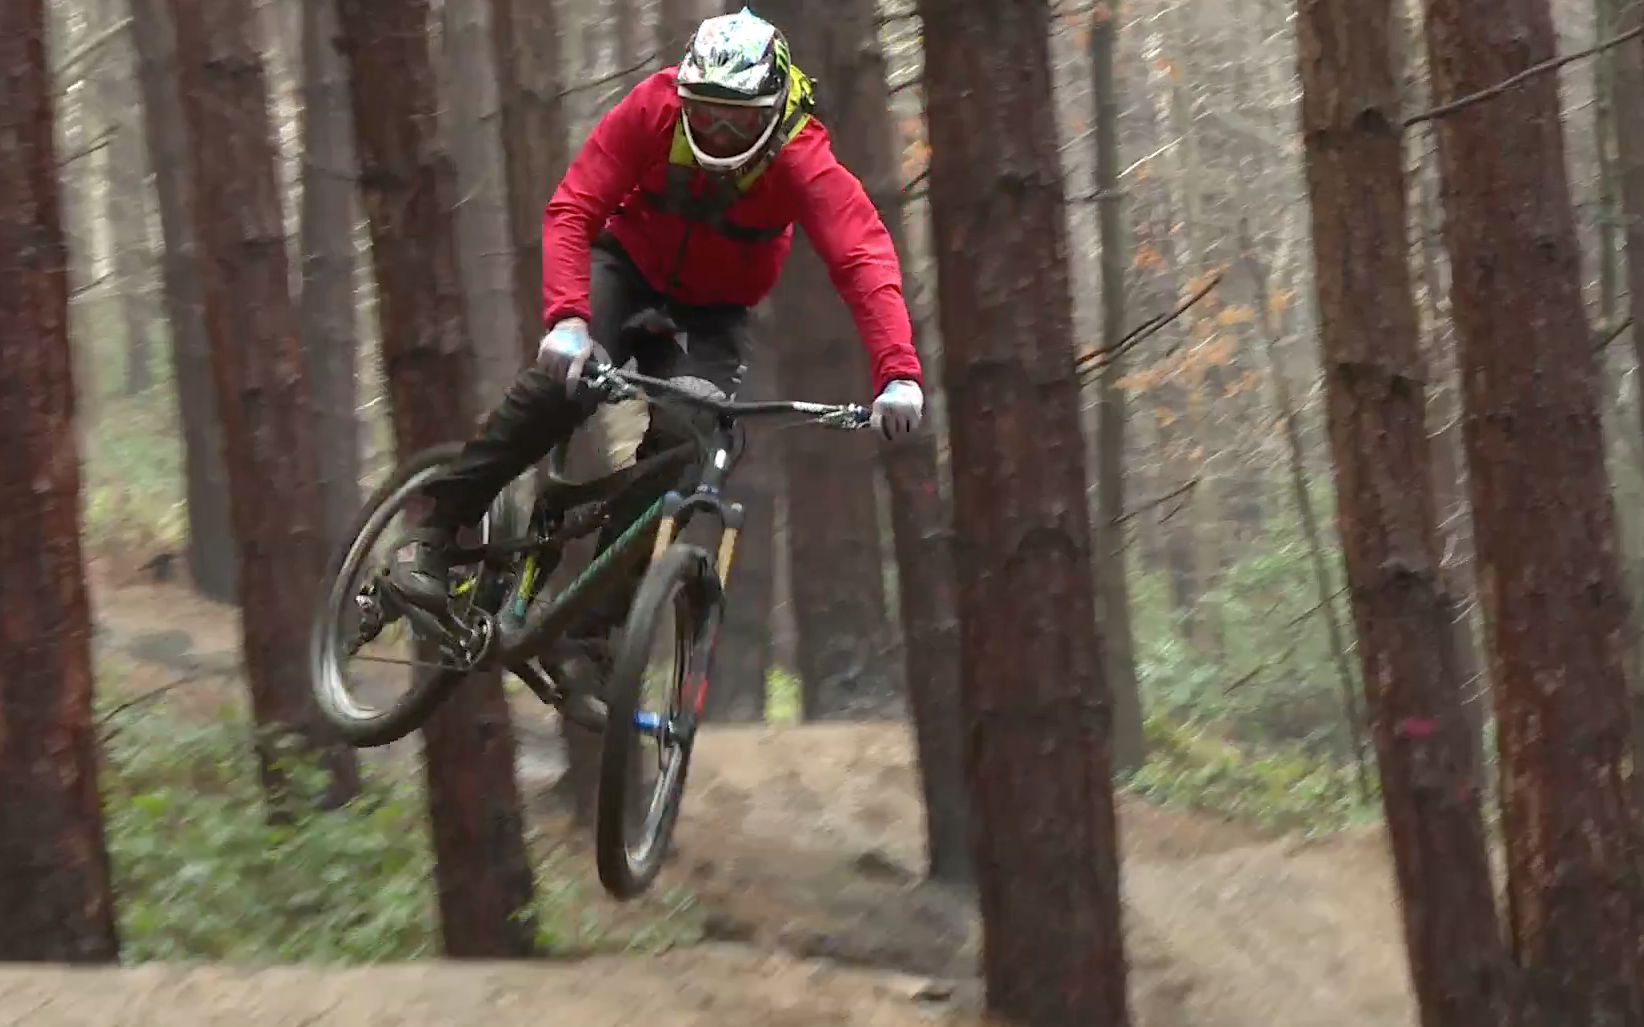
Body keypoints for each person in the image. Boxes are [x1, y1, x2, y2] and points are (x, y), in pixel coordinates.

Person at [388, 7, 924, 635]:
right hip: (626, 265)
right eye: (704, 111)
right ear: (684, 95)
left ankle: (597, 628)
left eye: (740, 118)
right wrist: (568, 318)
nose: (719, 131)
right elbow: (574, 207)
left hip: (716, 310)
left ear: (774, 111)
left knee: (688, 438)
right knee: (559, 387)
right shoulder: (654, 108)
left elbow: (863, 257)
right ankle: (433, 536)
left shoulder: (802, 155)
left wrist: (898, 373)